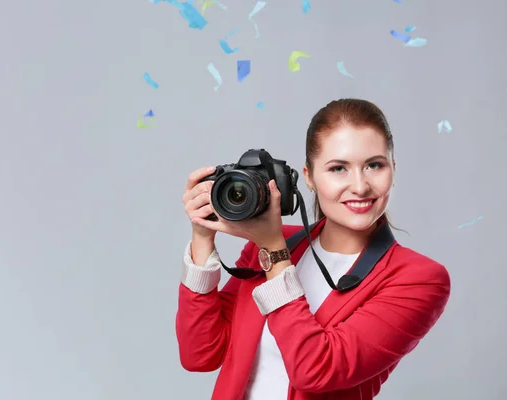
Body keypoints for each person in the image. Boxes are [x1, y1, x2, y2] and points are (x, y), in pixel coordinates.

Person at [176, 98, 451, 400]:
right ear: (308, 177)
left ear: (393, 169)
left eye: (374, 165)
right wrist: (202, 237)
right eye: (338, 169)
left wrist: (273, 251)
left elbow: (316, 370)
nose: (360, 186)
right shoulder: (275, 245)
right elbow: (200, 355)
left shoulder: (419, 279)